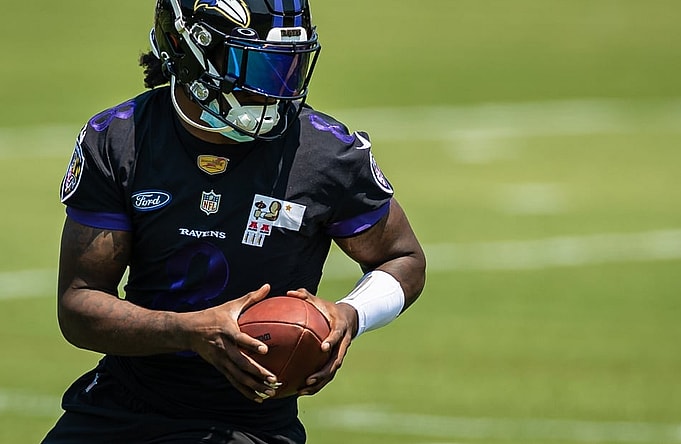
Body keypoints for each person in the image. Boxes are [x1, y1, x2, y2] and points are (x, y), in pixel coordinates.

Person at [42, 0, 426, 443]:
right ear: (190, 51)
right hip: (123, 404)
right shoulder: (120, 139)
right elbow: (79, 305)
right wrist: (189, 332)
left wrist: (350, 315)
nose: (275, 92)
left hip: (251, 422)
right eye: (259, 67)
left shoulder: (325, 153)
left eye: (289, 69)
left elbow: (403, 258)